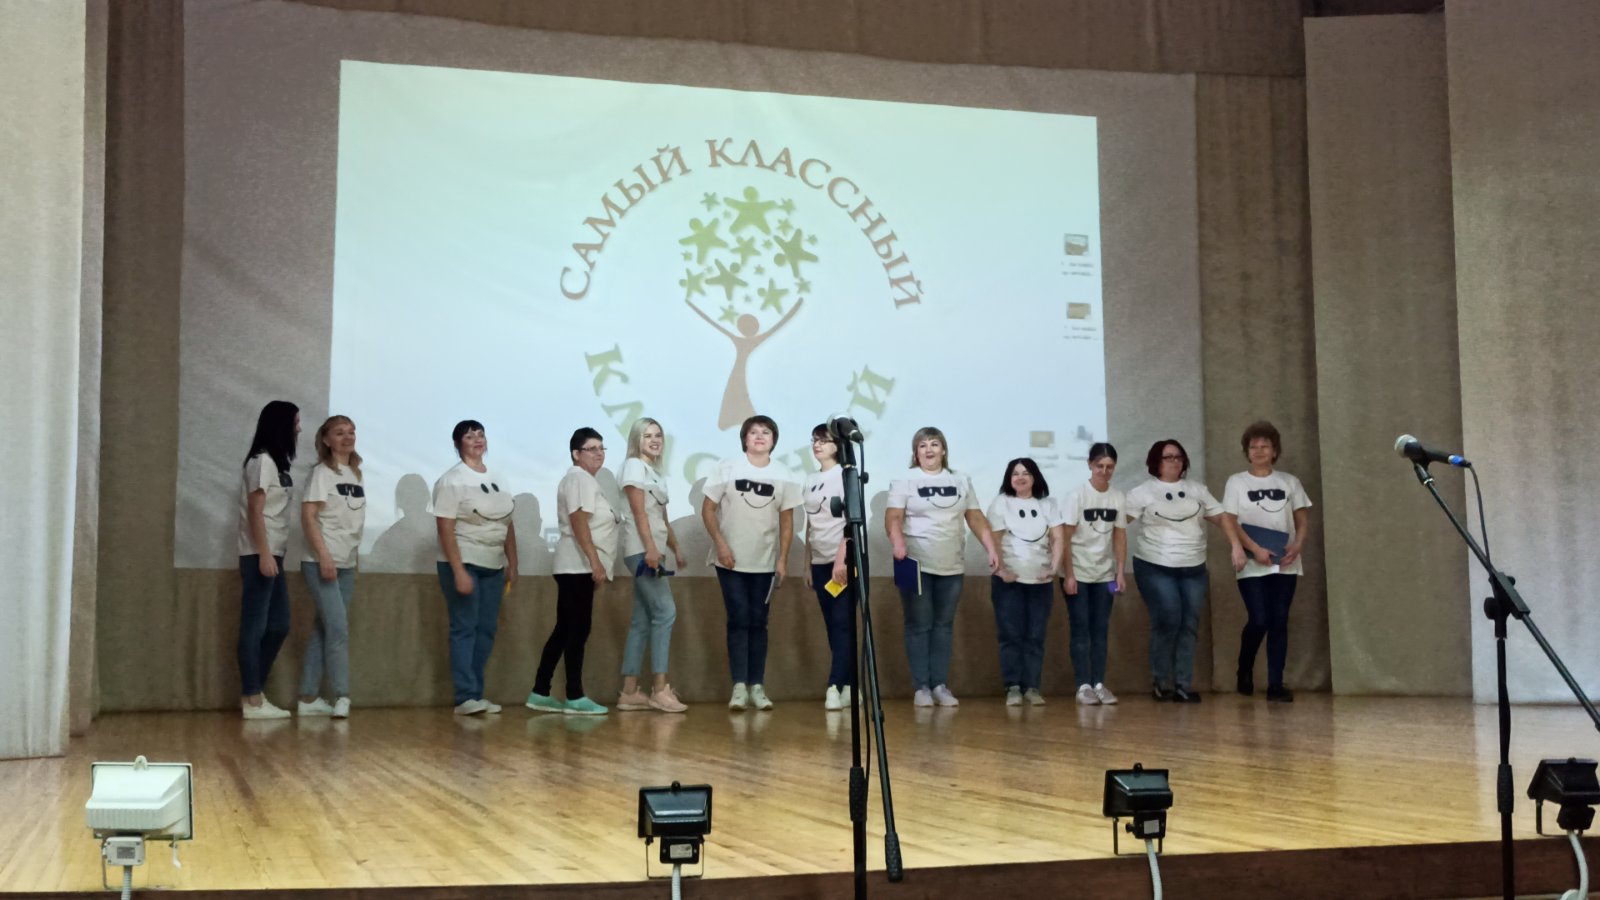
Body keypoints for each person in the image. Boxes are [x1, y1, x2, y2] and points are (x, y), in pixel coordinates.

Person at [885, 426, 1000, 708]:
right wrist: (898, 543)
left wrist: (991, 548)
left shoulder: (960, 480)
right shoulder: (904, 479)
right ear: (916, 453)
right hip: (913, 563)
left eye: (934, 444)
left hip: (951, 564)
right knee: (918, 624)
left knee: (943, 626)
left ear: (944, 450)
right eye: (922, 445)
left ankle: (939, 684)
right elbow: (893, 517)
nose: (929, 450)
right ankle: (921, 687)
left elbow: (975, 517)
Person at [702, 414, 802, 711]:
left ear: (774, 440)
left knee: (759, 622)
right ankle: (738, 687)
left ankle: (757, 686)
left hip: (765, 563)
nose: (759, 436)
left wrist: (782, 559)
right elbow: (708, 510)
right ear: (744, 438)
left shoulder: (784, 474)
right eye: (754, 432)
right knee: (738, 619)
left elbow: (787, 521)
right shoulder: (727, 467)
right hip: (730, 561)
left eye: (766, 432)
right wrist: (720, 544)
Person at [1126, 439, 1229, 703]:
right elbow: (1117, 524)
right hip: (1154, 565)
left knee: (1189, 623)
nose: (1174, 461)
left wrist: (1239, 546)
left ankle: (1183, 684)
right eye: (1168, 457)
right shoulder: (1142, 492)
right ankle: (1161, 681)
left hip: (1193, 566)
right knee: (1169, 617)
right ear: (1156, 462)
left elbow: (1221, 517)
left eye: (1178, 456)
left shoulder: (1197, 490)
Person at [528, 428, 621, 716]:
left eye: (602, 448)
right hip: (576, 565)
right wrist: (595, 561)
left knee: (569, 629)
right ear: (576, 454)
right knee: (574, 630)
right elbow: (578, 521)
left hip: (576, 566)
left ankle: (542, 691)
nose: (599, 453)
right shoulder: (579, 479)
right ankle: (573, 694)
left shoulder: (584, 480)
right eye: (592, 449)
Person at [430, 420, 518, 716]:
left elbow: (507, 523)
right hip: (464, 560)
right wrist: (458, 571)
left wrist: (513, 562)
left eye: (481, 435)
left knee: (486, 629)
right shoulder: (451, 480)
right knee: (464, 627)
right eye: (470, 436)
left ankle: (476, 693)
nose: (477, 440)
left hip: (493, 563)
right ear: (458, 444)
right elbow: (445, 527)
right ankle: (464, 696)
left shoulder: (499, 477)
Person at [1221, 421, 1313, 703]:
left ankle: (1275, 683)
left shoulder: (1289, 482)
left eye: (1265, 446)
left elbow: (1302, 519)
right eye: (1253, 447)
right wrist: (1254, 549)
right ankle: (1244, 668)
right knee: (1259, 619)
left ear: (1275, 451)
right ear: (1246, 451)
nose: (1259, 451)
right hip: (1252, 561)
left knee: (1279, 620)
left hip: (1284, 560)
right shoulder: (1237, 482)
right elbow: (1230, 520)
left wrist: (1297, 545)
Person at [615, 418, 688, 713]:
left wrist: (676, 547)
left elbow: (661, 517)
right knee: (666, 612)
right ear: (636, 440)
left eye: (658, 435)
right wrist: (650, 548)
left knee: (642, 620)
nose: (655, 440)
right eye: (647, 435)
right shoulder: (633, 466)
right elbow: (638, 513)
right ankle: (659, 689)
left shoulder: (656, 473)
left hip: (653, 551)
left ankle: (629, 691)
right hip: (642, 551)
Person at [296, 415, 365, 719]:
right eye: (339, 433)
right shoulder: (321, 473)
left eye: (351, 432)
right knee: (337, 629)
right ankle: (342, 695)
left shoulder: (356, 474)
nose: (347, 437)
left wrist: (353, 557)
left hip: (346, 563)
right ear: (326, 439)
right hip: (321, 562)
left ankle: (308, 697)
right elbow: (308, 517)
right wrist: (324, 556)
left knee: (324, 629)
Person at [237, 400, 300, 720]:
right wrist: (263, 552)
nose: (299, 428)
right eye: (295, 422)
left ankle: (253, 692)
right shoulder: (261, 461)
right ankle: (252, 698)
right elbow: (255, 510)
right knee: (255, 626)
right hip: (259, 553)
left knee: (278, 625)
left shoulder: (277, 463)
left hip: (275, 553)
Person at [985, 457, 1062, 707]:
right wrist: (1002, 570)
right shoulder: (1001, 503)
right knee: (1011, 635)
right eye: (1015, 473)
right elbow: (994, 540)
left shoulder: (1048, 504)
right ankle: (1013, 687)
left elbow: (1058, 537)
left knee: (1035, 636)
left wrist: (1054, 567)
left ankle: (1032, 687)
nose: (1020, 477)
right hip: (1009, 583)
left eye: (1026, 473)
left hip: (1040, 582)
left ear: (1035, 477)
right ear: (1009, 479)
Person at [1058, 442, 1128, 706]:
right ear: (1090, 465)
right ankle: (1083, 685)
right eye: (1100, 466)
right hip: (1077, 574)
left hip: (1105, 577)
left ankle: (1099, 683)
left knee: (1101, 629)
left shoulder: (1117, 497)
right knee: (1081, 629)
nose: (1104, 471)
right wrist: (1069, 574)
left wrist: (1119, 572)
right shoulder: (1076, 495)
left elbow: (1119, 536)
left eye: (1110, 467)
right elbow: (1065, 537)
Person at [803, 424, 853, 711]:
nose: (817, 445)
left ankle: (834, 686)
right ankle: (847, 686)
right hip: (820, 562)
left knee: (843, 624)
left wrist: (841, 560)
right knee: (833, 627)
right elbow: (810, 524)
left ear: (838, 445)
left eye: (823, 440)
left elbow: (850, 524)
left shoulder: (846, 476)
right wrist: (807, 563)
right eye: (814, 440)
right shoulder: (810, 480)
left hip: (844, 562)